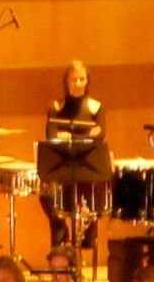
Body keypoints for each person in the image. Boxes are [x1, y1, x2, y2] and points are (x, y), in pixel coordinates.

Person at [43, 60, 106, 246]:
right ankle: (60, 234)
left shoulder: (96, 107)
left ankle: (87, 242)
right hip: (61, 173)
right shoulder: (56, 107)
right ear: (66, 81)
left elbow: (99, 136)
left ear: (87, 80)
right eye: (74, 80)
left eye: (82, 79)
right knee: (47, 197)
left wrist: (69, 136)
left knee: (92, 198)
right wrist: (84, 135)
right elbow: (51, 135)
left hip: (87, 173)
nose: (78, 83)